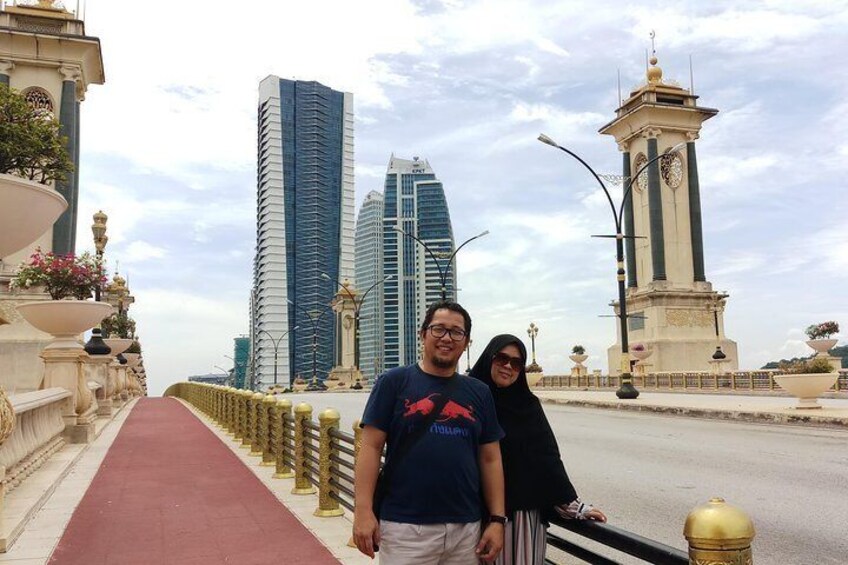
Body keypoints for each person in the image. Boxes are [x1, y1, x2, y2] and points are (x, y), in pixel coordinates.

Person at [353, 301, 506, 564]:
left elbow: (490, 458)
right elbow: (370, 447)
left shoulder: (479, 392)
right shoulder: (393, 382)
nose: (447, 338)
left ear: (467, 342)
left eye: (456, 332)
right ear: (423, 334)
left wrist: (496, 519)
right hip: (405, 528)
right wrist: (363, 511)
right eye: (439, 329)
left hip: (466, 529)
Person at [469, 334, 606, 565]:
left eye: (516, 362)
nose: (508, 366)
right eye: (501, 358)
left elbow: (546, 458)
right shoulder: (469, 401)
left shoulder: (528, 405)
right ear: (488, 359)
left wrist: (573, 506)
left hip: (520, 518)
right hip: (468, 516)